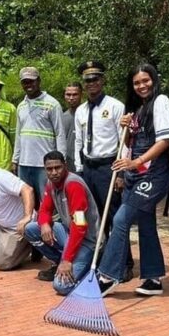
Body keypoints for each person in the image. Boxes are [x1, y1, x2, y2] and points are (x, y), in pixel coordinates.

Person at [96, 64, 169, 297]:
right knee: (146, 224)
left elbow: (165, 142)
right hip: (136, 175)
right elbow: (130, 143)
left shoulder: (160, 102)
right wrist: (126, 130)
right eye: (136, 83)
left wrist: (136, 162)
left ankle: (107, 276)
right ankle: (153, 279)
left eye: (146, 80)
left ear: (154, 80)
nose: (142, 86)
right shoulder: (138, 109)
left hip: (154, 174)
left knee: (121, 220)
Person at [73, 61, 134, 281]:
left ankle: (125, 263)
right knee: (95, 217)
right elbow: (79, 141)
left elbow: (124, 142)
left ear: (103, 80)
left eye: (95, 79)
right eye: (88, 80)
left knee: (116, 216)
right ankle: (103, 258)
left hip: (109, 166)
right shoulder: (80, 110)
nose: (92, 83)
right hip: (88, 168)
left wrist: (121, 173)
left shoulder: (115, 106)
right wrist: (79, 171)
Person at [24, 151, 99, 292]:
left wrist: (67, 259)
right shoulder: (51, 184)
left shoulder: (73, 185)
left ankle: (84, 267)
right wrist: (45, 223)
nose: (54, 172)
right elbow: (44, 210)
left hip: (87, 240)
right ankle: (61, 262)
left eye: (57, 167)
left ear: (65, 166)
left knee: (61, 286)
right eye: (49, 169)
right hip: (68, 231)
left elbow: (80, 225)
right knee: (31, 229)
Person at [13, 66, 66, 206]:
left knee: (48, 202)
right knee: (27, 203)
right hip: (24, 164)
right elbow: (19, 135)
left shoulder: (52, 104)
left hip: (45, 165)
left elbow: (60, 134)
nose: (29, 85)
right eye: (25, 82)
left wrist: (61, 161)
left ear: (39, 81)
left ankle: (51, 228)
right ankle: (30, 228)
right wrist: (15, 160)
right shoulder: (21, 106)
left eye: (32, 81)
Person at [62, 82, 83, 171]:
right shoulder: (62, 117)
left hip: (85, 163)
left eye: (75, 95)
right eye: (68, 95)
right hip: (67, 163)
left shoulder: (86, 114)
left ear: (81, 95)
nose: (71, 98)